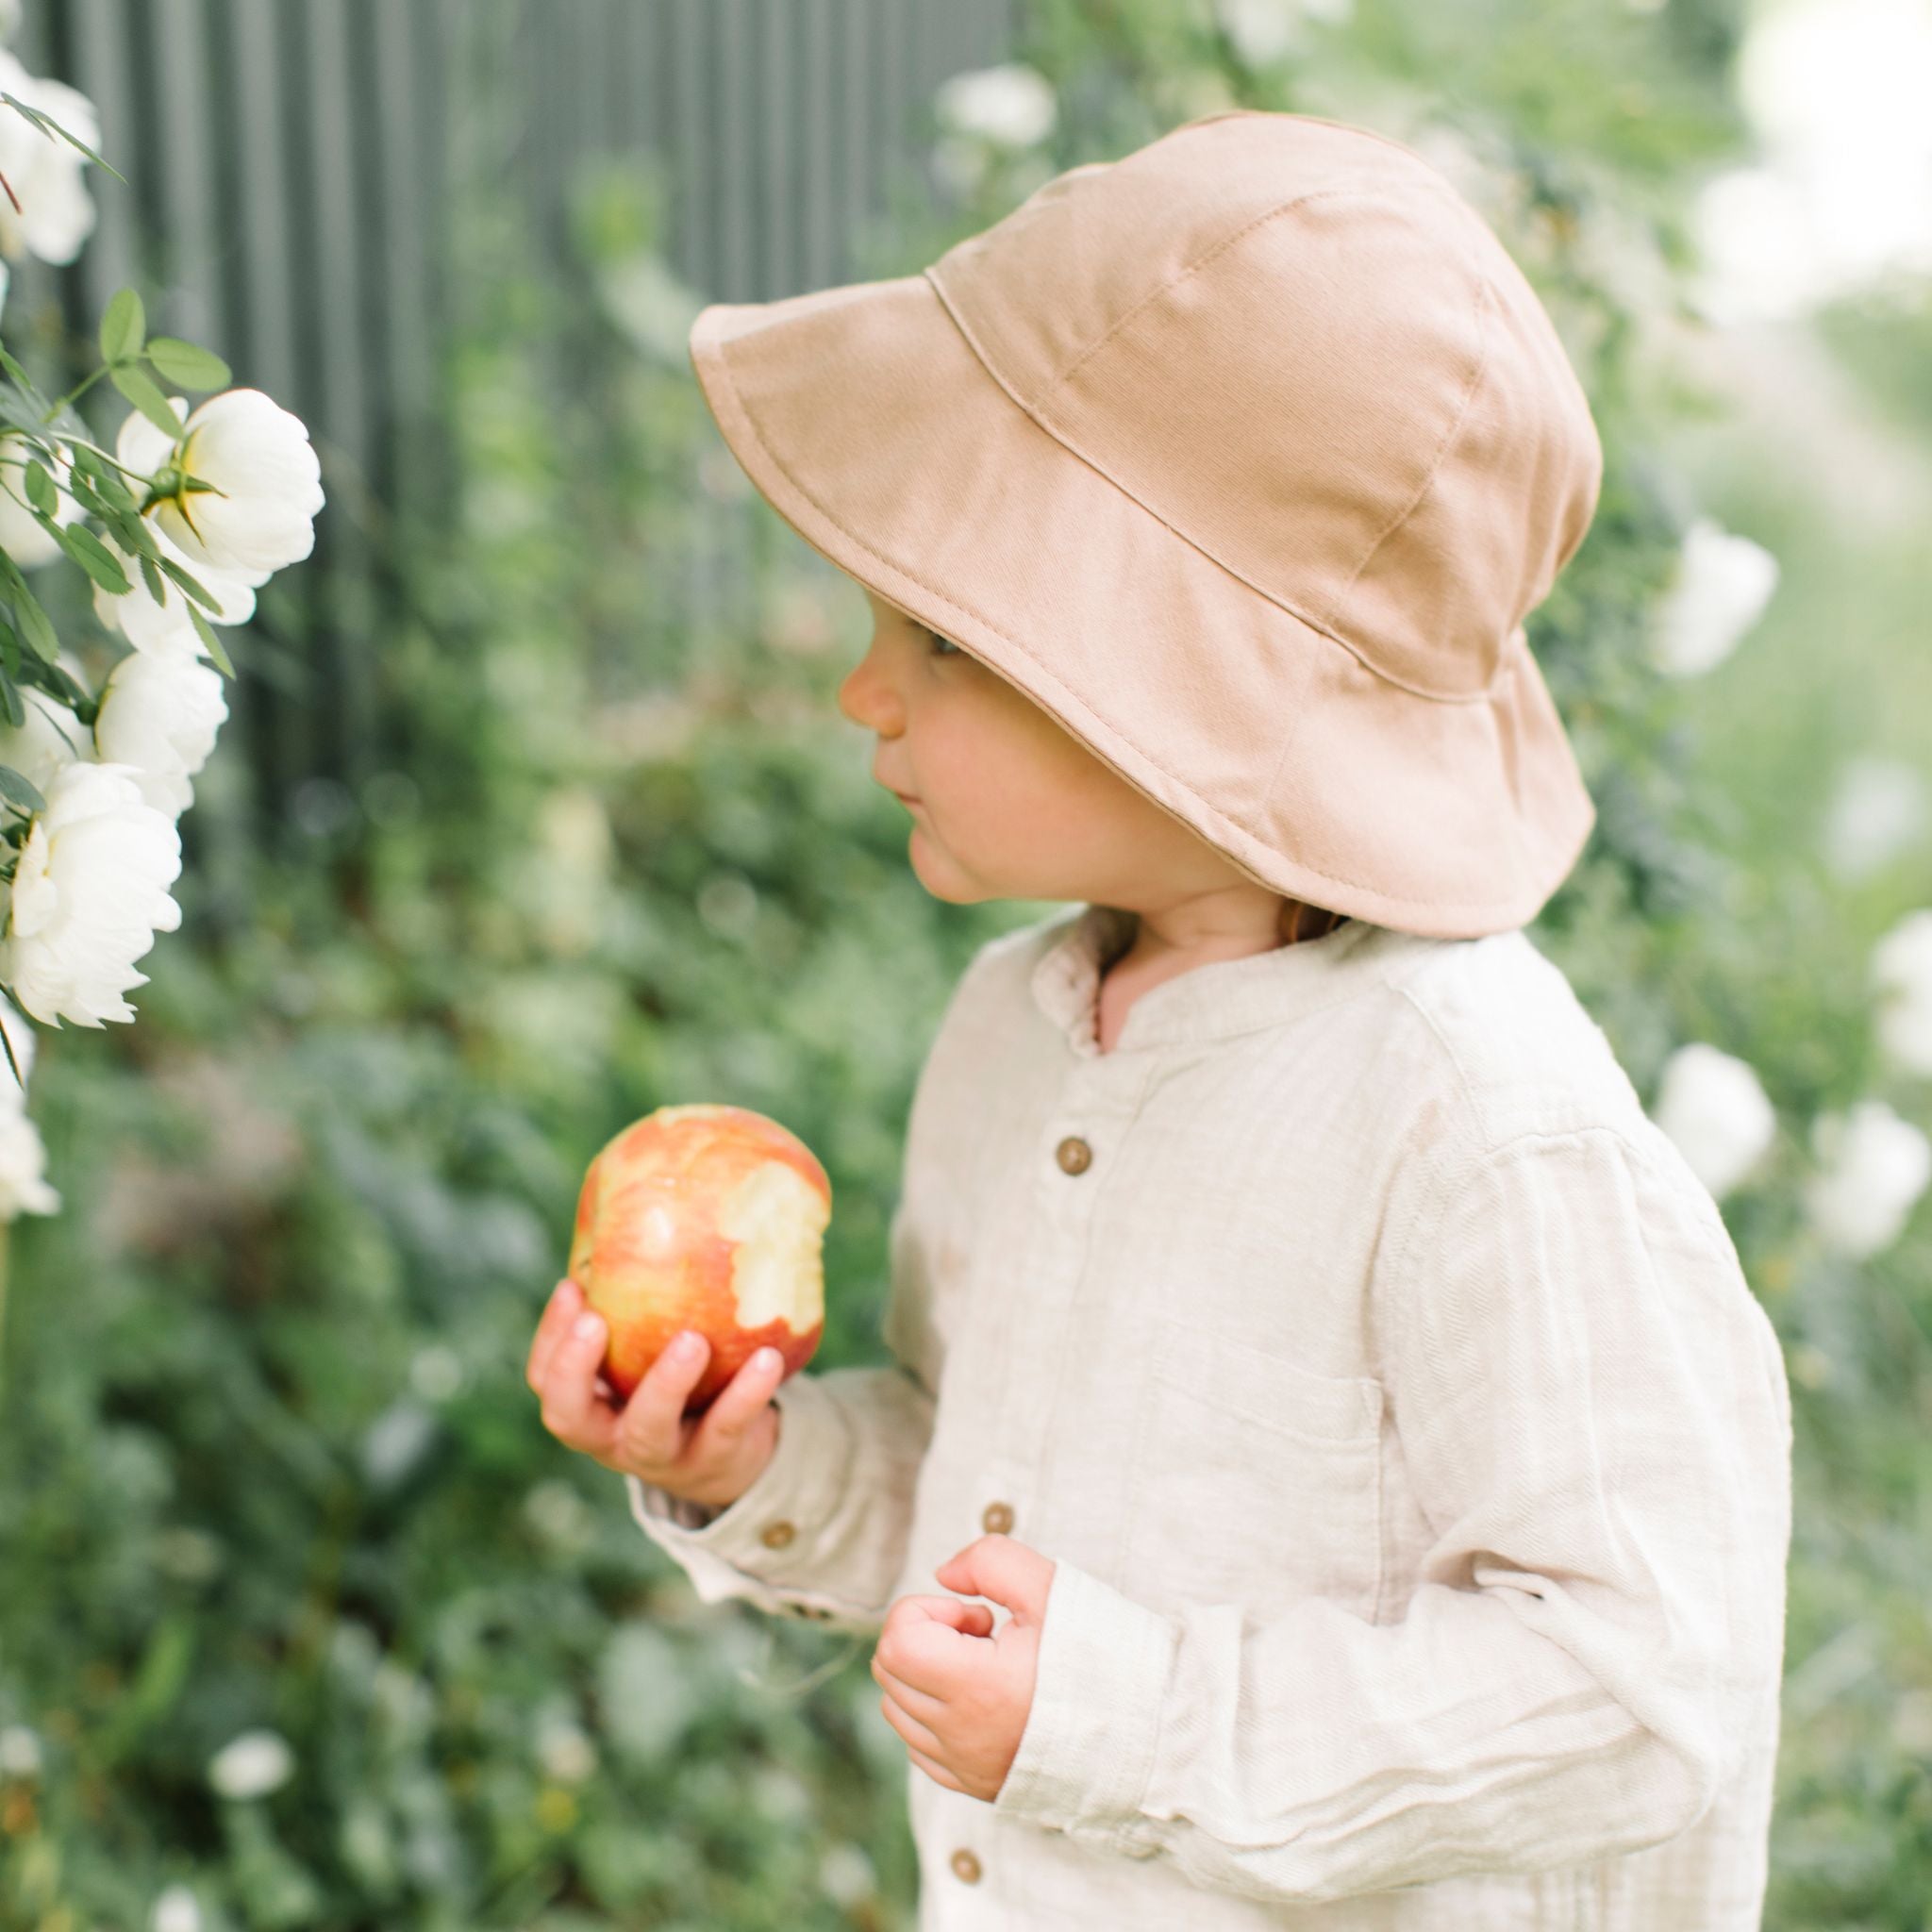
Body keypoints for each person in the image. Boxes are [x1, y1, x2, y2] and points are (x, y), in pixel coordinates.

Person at [526, 109, 1793, 1928]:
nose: (860, 688)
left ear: (1180, 694)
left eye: (944, 638)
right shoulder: (1018, 1027)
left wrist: (1126, 1718)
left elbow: (1639, 1687)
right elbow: (1014, 1514)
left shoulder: (1480, 1130)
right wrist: (763, 1464)